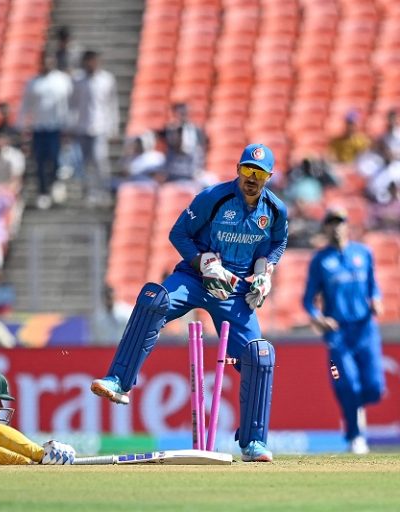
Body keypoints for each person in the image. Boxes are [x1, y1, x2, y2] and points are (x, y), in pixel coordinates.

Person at [89, 143, 288, 463]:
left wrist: (265, 272)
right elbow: (179, 233)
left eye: (260, 174)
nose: (252, 178)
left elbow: (278, 241)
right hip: (195, 279)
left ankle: (253, 442)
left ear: (269, 177)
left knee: (259, 355)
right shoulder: (214, 198)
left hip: (235, 290)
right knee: (154, 299)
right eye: (247, 170)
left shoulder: (275, 210)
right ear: (238, 169)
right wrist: (204, 263)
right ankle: (118, 381)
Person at [302, 208, 385, 454]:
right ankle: (355, 435)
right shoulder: (320, 260)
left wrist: (376, 300)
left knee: (375, 388)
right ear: (325, 228)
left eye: (339, 222)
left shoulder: (363, 253)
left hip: (365, 329)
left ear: (347, 225)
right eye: (331, 223)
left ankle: (353, 408)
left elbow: (373, 286)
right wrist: (319, 319)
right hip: (338, 333)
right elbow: (308, 300)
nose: (336, 227)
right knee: (347, 383)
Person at [19, 54, 73, 210]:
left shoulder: (62, 80)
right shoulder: (33, 82)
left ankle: (55, 184)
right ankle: (42, 192)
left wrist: (68, 125)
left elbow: (69, 104)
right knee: (40, 161)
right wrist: (21, 125)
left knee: (55, 157)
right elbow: (26, 105)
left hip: (55, 128)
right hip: (39, 128)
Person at [69, 50, 119, 205]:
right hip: (82, 127)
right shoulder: (77, 80)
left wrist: (113, 127)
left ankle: (103, 190)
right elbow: (72, 105)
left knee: (100, 159)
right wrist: (71, 125)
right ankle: (89, 192)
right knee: (85, 162)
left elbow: (112, 105)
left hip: (100, 126)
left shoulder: (107, 79)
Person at [160, 103, 207, 183]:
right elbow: (176, 144)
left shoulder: (196, 130)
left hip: (192, 173)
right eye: (180, 113)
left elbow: (200, 151)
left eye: (185, 112)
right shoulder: (170, 130)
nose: (183, 115)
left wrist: (197, 170)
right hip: (173, 173)